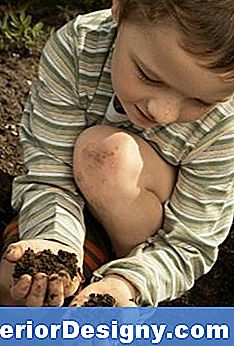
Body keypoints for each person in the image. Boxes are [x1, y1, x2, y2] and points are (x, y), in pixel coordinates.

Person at [0, 0, 233, 307]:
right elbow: (49, 176)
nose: (162, 112)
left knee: (109, 156)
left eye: (202, 102)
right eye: (149, 77)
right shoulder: (78, 48)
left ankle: (118, 279)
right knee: (18, 281)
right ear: (121, 8)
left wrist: (127, 283)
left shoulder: (225, 123)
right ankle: (81, 262)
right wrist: (55, 242)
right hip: (69, 207)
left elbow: (188, 243)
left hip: (150, 244)